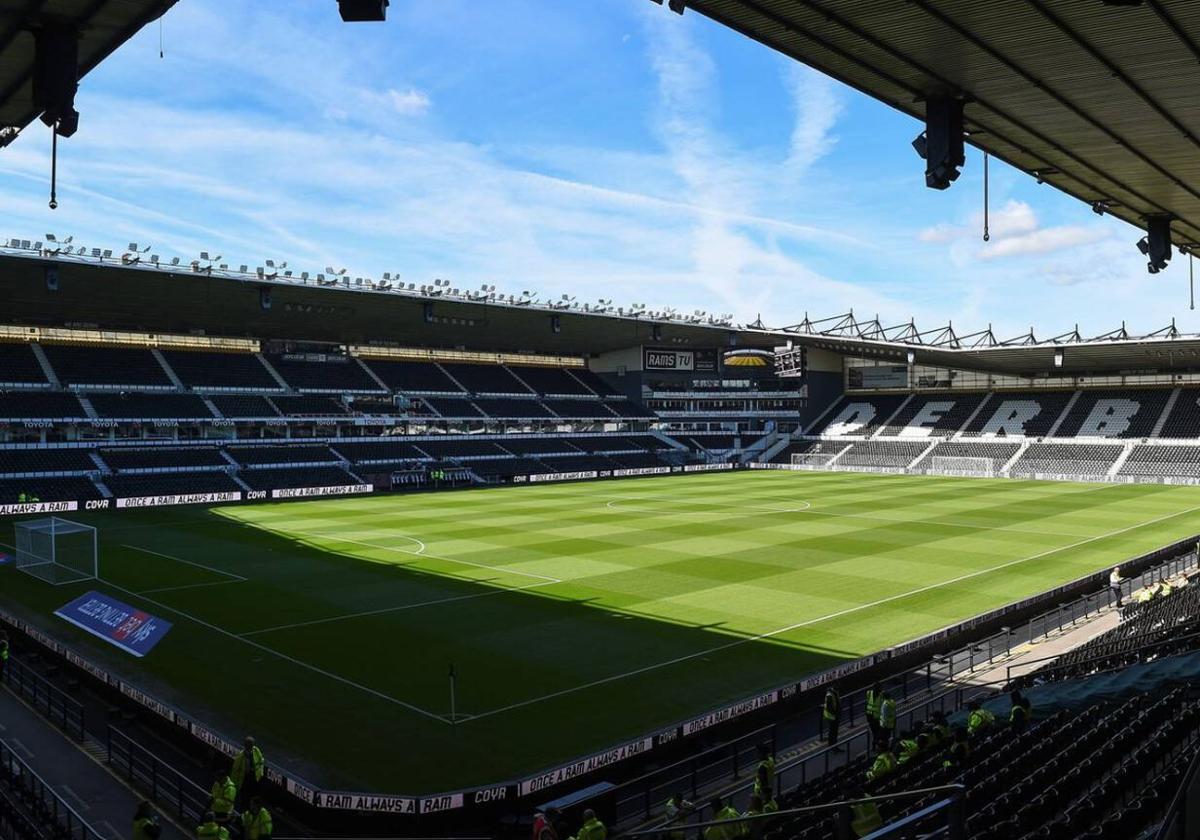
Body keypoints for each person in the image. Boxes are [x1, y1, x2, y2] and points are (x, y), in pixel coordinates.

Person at [232, 737, 265, 807]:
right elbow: (235, 771)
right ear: (245, 746)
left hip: (255, 779)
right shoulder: (240, 756)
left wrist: (261, 773)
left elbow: (261, 761)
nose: (250, 747)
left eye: (251, 745)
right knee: (244, 800)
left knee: (254, 798)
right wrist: (235, 785)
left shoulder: (256, 750)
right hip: (245, 780)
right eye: (249, 745)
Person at [865, 682, 883, 746]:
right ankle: (876, 744)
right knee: (875, 732)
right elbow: (866, 703)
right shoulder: (870, 693)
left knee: (877, 732)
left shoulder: (881, 695)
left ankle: (875, 744)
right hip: (871, 716)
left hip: (876, 716)